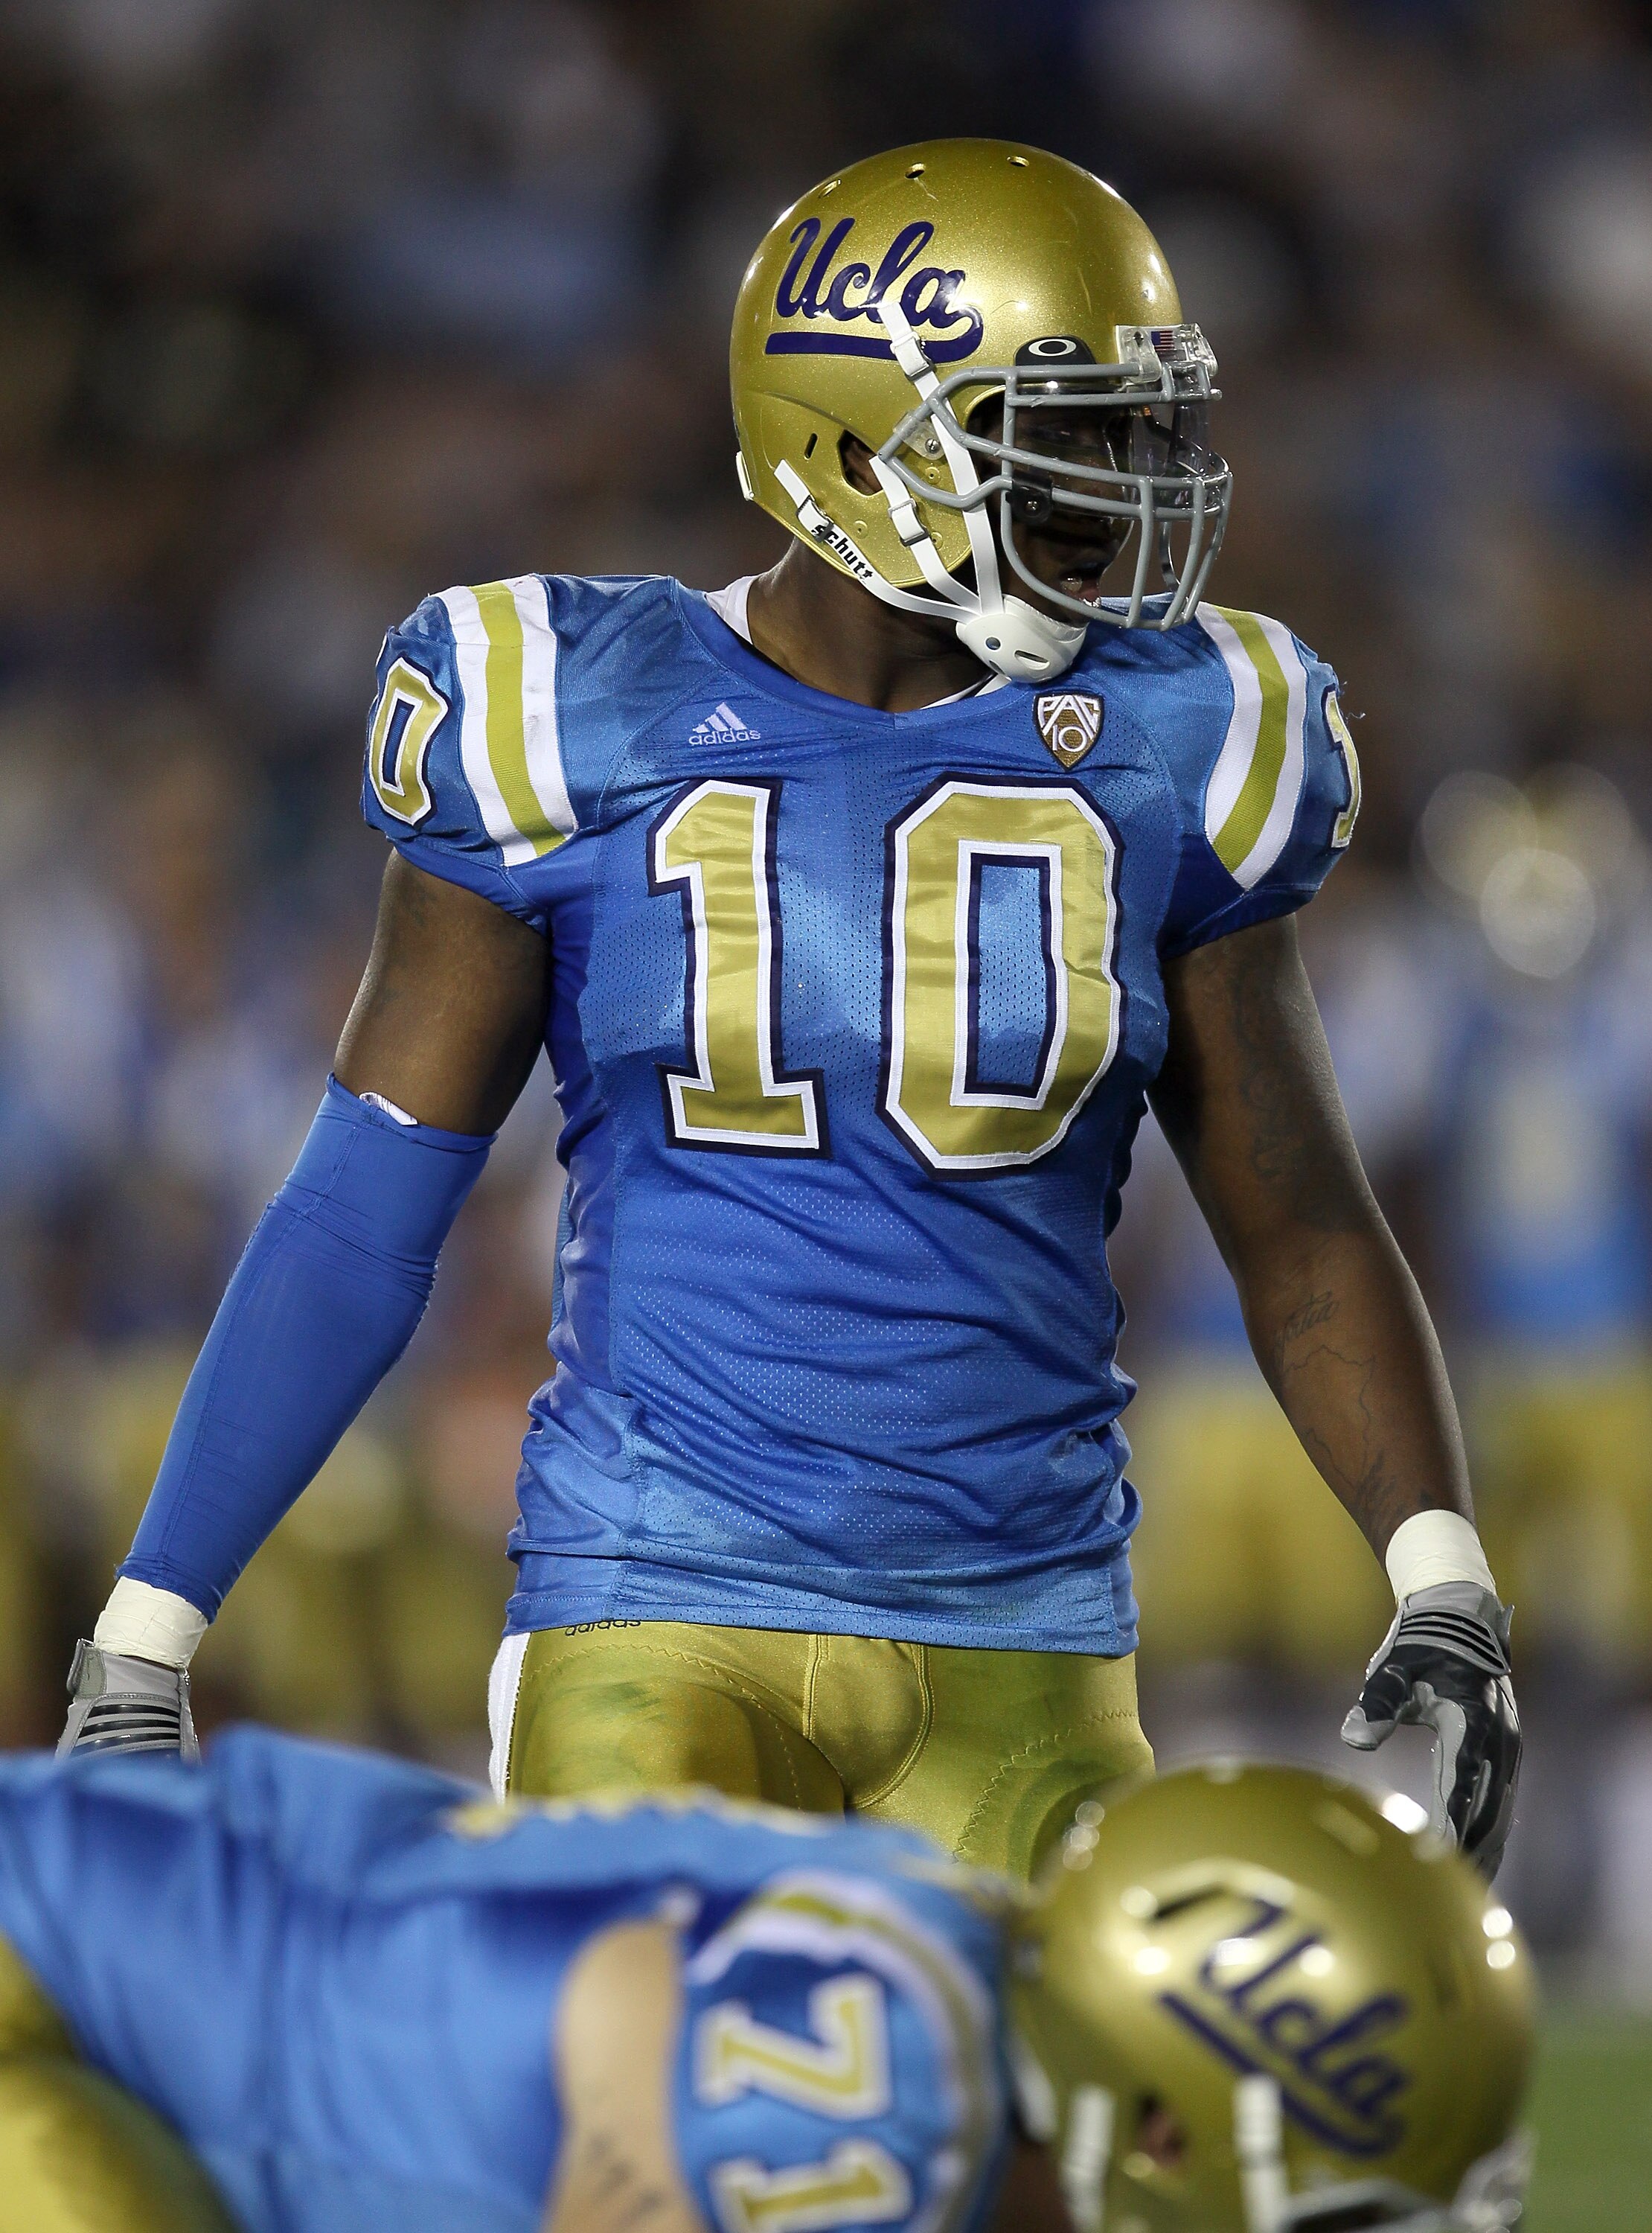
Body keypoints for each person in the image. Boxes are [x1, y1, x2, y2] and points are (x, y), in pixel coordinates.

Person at [63, 138, 1518, 1881]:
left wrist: (1441, 1571)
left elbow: (1296, 1218)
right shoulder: (559, 709)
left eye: (1139, 436)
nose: (1127, 496)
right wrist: (149, 1631)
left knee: (1045, 2154)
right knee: (674, 2130)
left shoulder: (1187, 736)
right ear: (859, 447)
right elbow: (369, 1203)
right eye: (1059, 442)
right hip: (657, 1608)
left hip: (1031, 1629)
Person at [0, 1731, 1531, 2233]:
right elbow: (627, 2007)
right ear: (1166, 2128)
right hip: (65, 1999)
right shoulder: (904, 2096)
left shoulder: (978, 1961)